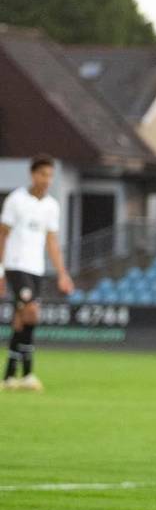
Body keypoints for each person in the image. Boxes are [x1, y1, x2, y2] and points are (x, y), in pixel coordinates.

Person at [0, 154, 74, 392]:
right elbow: (2, 235)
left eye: (50, 175)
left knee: (22, 320)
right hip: (15, 264)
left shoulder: (51, 206)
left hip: (35, 268)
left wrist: (62, 273)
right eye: (43, 174)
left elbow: (51, 241)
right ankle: (28, 373)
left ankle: (10, 376)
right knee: (32, 312)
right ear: (33, 175)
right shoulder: (16, 200)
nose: (47, 179)